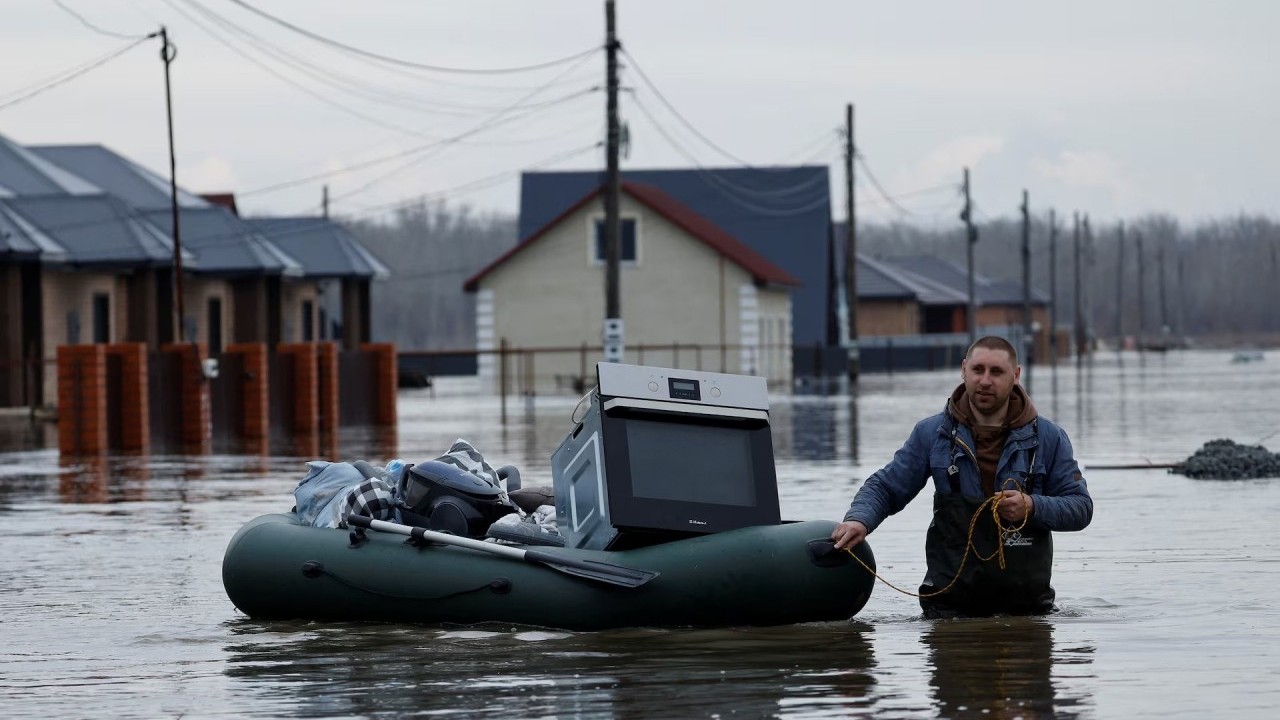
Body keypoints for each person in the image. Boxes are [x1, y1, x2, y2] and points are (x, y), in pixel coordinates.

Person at [831, 335, 1093, 618]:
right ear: (964, 370)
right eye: (978, 370)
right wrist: (859, 519)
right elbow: (885, 487)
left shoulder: (1049, 438)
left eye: (996, 372)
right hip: (948, 610)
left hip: (1028, 613)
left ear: (1016, 375)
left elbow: (1080, 507)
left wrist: (1032, 506)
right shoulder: (931, 433)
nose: (985, 380)